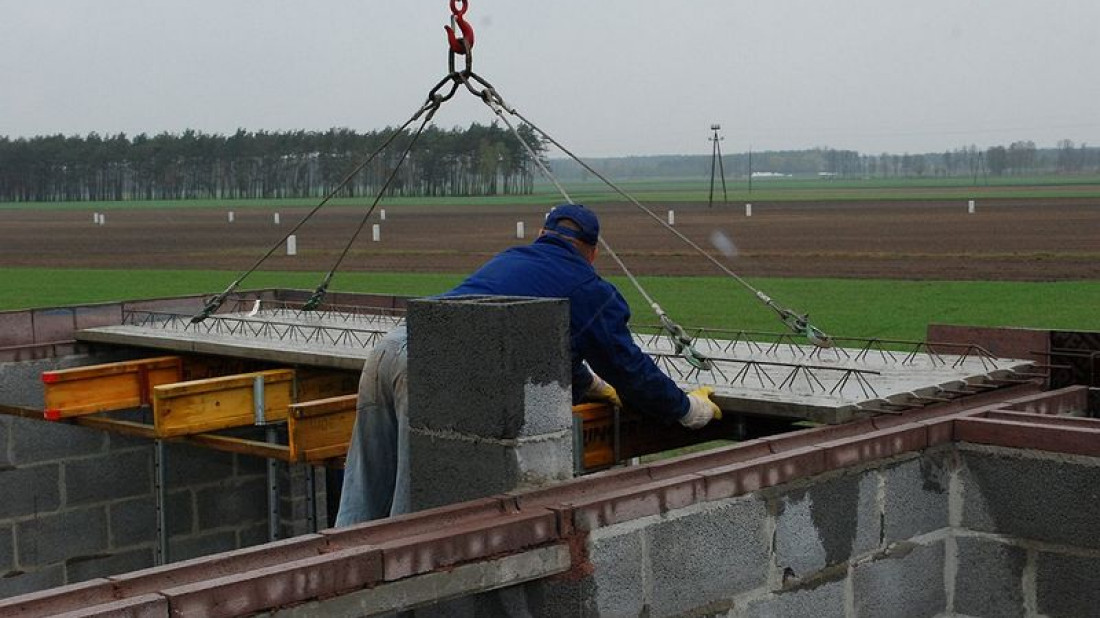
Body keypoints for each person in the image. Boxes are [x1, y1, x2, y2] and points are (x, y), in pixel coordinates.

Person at [335, 204, 721, 526]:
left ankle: (339, 573)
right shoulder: (591, 290)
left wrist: (590, 385)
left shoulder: (513, 258)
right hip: (433, 366)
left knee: (364, 488)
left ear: (541, 234)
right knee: (416, 504)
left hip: (389, 347)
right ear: (592, 252)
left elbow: (545, 346)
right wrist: (687, 408)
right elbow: (630, 369)